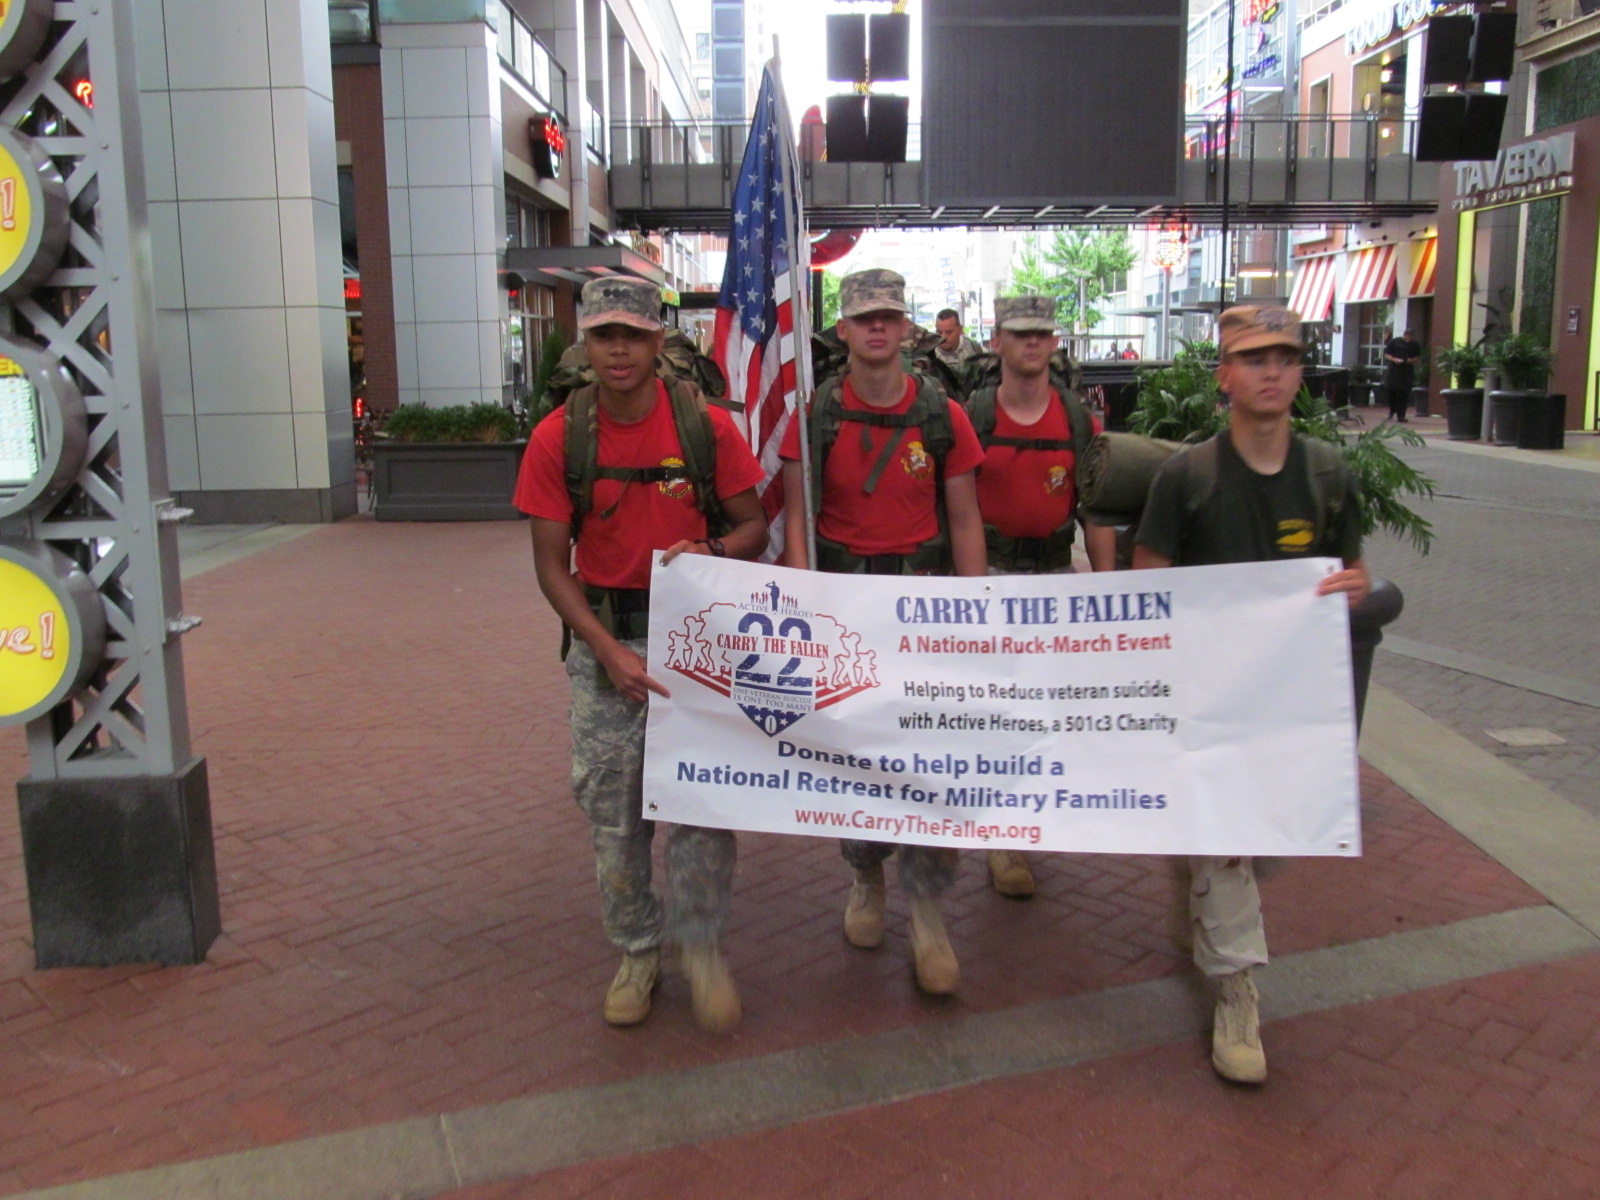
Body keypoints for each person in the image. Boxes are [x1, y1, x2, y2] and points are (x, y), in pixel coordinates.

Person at [514, 277, 769, 1033]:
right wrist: (606, 653)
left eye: (632, 334)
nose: (618, 349)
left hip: (696, 645)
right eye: (603, 336)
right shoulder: (558, 437)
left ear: (659, 342)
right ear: (584, 345)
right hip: (606, 649)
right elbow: (551, 568)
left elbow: (753, 525)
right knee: (615, 814)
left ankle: (702, 944)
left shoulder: (706, 429)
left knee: (701, 802)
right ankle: (638, 949)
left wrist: (714, 546)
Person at [1132, 304, 1369, 1085]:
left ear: (1302, 373)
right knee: (1230, 844)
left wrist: (1351, 588)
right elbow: (1148, 586)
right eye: (1254, 357)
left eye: (1287, 357)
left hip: (1286, 702)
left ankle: (1196, 881)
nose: (1272, 371)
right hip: (1209, 699)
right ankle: (1236, 993)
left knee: (1257, 848)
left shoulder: (1328, 475)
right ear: (1224, 375)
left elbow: (1344, 572)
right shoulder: (1187, 478)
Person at [780, 268, 987, 995]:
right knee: (861, 762)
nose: (877, 328)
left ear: (906, 328)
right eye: (864, 317)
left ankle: (928, 913)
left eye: (890, 317)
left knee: (930, 762)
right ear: (842, 330)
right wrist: (808, 606)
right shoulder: (814, 416)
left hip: (924, 609)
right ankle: (866, 874)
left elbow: (964, 518)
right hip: (846, 612)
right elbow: (797, 519)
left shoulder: (942, 414)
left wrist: (973, 614)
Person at [968, 294, 1116, 897]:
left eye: (1042, 334)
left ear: (1055, 344)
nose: (1032, 343)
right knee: (996, 712)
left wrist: (1105, 594)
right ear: (997, 340)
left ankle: (1027, 818)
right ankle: (1002, 837)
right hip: (991, 578)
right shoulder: (972, 416)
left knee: (1047, 711)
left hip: (1055, 581)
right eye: (1020, 333)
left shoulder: (1081, 422)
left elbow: (1096, 512)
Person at [1382, 327, 1422, 422]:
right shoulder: (1395, 342)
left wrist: (1411, 360)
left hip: (1406, 371)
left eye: (1410, 337)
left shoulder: (1415, 345)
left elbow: (1418, 357)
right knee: (1392, 391)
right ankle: (1392, 410)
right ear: (1404, 335)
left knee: (1404, 394)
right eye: (1407, 336)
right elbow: (1387, 355)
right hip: (1394, 370)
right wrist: (1395, 359)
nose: (1408, 339)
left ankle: (1401, 415)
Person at [933, 307, 984, 374]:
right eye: (939, 332)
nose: (943, 337)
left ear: (960, 329)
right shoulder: (928, 352)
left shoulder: (974, 350)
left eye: (949, 332)